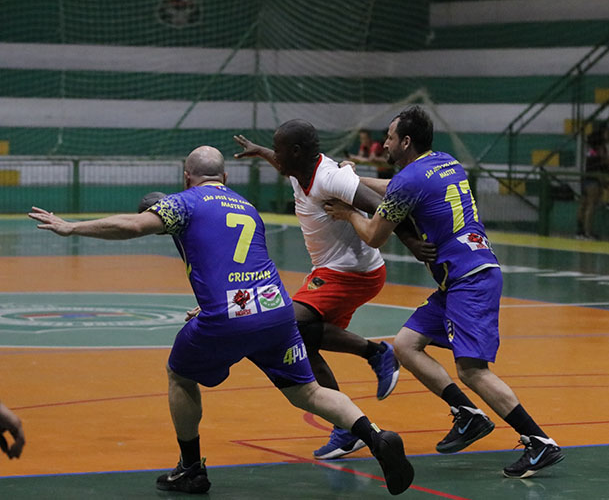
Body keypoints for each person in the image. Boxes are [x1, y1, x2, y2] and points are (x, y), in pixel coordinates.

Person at [29, 146, 414, 495]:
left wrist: (71, 227)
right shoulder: (246, 206)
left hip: (230, 317)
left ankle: (191, 469)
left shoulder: (184, 202)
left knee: (180, 375)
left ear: (186, 177)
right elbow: (242, 264)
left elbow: (133, 226)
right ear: (225, 177)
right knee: (308, 392)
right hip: (275, 311)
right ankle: (375, 437)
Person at [324, 106, 564, 479]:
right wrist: (356, 180)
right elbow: (398, 189)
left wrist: (347, 212)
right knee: (406, 345)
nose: (384, 143)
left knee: (472, 370)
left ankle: (539, 441)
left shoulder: (409, 180)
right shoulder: (444, 163)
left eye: (390, 137)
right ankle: (467, 414)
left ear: (406, 141)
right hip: (462, 276)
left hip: (469, 280)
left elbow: (373, 235)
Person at [232, 122, 434, 460]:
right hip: (331, 270)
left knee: (288, 323)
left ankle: (377, 354)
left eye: (278, 150)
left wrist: (412, 242)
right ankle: (345, 427)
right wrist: (261, 151)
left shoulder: (330, 178)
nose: (276, 156)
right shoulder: (298, 170)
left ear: (296, 152)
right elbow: (282, 164)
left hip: (353, 272)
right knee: (304, 340)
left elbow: (385, 205)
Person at [576, 123, 609, 240]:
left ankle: (580, 231)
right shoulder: (600, 149)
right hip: (593, 179)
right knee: (590, 205)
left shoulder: (592, 149)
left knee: (584, 204)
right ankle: (587, 232)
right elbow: (603, 164)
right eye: (608, 132)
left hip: (587, 177)